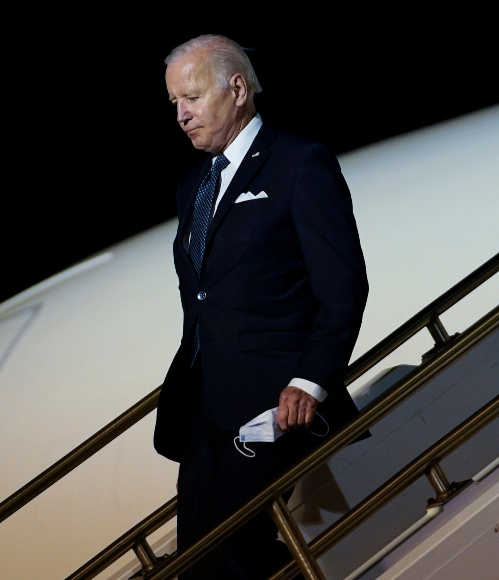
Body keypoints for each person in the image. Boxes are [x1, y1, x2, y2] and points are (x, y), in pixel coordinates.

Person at [152, 35, 369, 579]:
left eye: (192, 98)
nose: (181, 115)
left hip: (272, 401)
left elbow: (342, 286)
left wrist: (312, 380)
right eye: (174, 102)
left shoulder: (299, 163)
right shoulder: (193, 188)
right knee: (200, 554)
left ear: (238, 88)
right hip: (205, 399)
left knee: (237, 541)